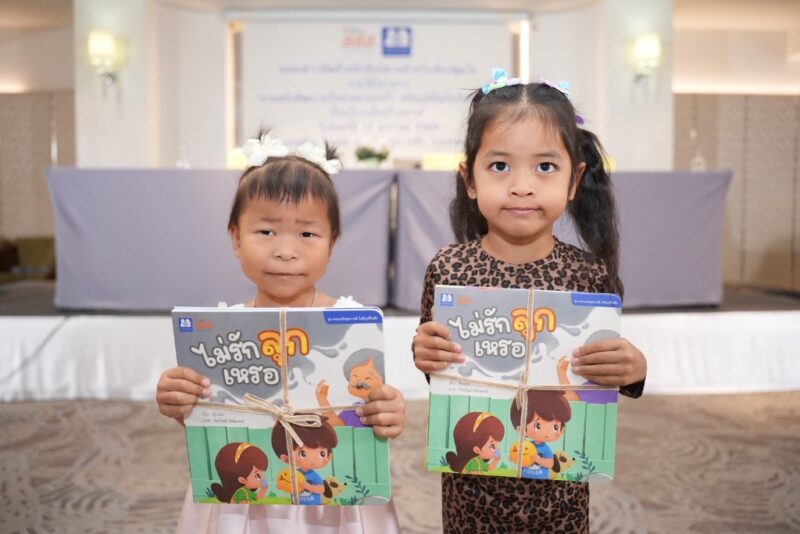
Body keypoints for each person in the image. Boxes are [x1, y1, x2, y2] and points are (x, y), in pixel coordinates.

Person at [412, 70, 647, 533]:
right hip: (470, 493)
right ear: (470, 178)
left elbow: (603, 375)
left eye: (545, 167)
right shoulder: (448, 268)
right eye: (500, 166)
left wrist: (634, 369)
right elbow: (436, 364)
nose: (522, 186)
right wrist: (423, 352)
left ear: (575, 180)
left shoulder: (588, 275)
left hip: (559, 500)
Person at [156, 131, 404, 533]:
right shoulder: (220, 332)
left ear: (332, 243)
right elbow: (214, 420)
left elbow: (369, 410)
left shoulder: (352, 325)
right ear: (236, 238)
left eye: (307, 234)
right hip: (246, 496)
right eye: (266, 232)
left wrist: (387, 411)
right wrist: (181, 402)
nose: (286, 251)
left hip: (332, 500)